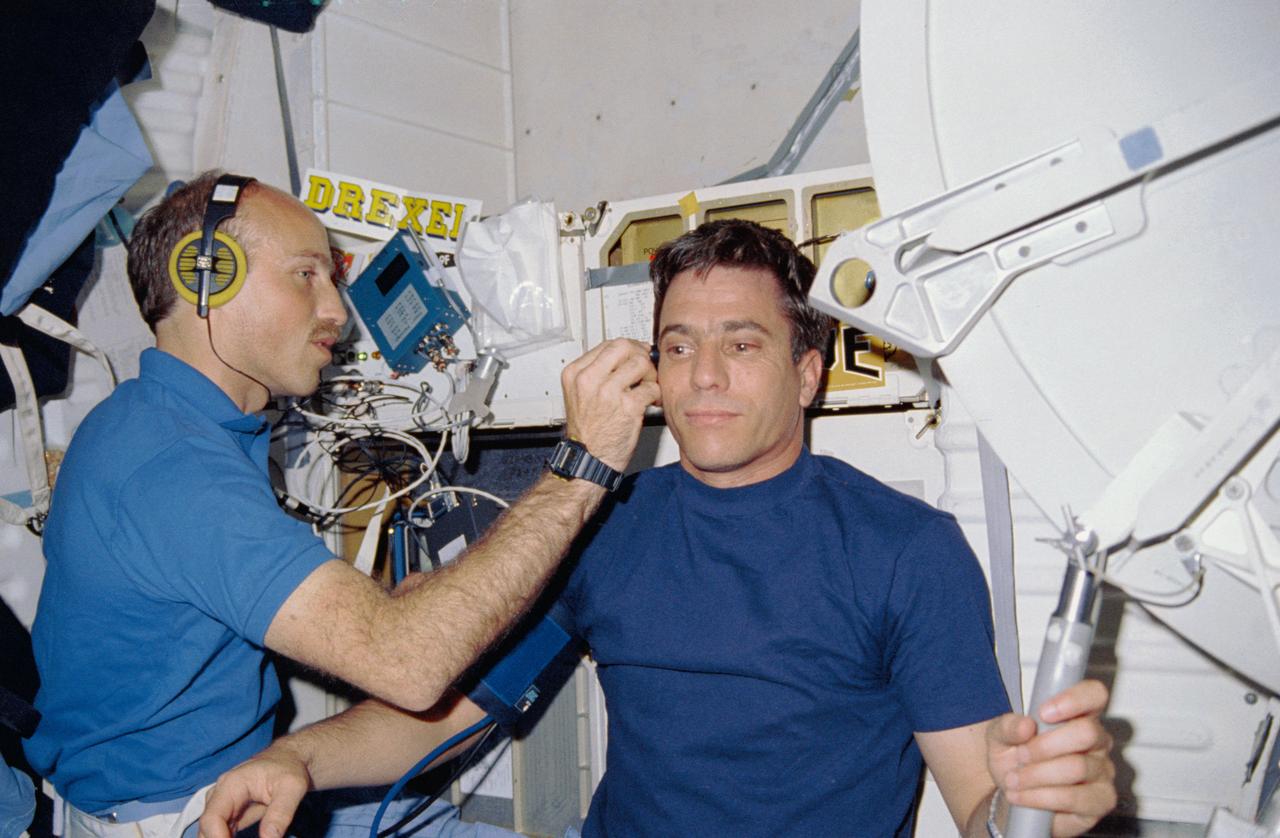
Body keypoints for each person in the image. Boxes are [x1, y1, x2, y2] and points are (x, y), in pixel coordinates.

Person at [199, 219, 1116, 838]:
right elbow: (446, 710)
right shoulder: (602, 525)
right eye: (678, 345)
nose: (703, 374)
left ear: (808, 374)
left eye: (742, 343)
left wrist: (1034, 810)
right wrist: (297, 760)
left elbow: (977, 796)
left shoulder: (905, 549)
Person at [23, 171, 659, 837]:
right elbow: (408, 667)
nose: (338, 312)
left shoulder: (165, 424)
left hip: (238, 785)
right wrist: (581, 466)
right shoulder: (171, 469)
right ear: (204, 276)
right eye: (307, 276)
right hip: (188, 817)